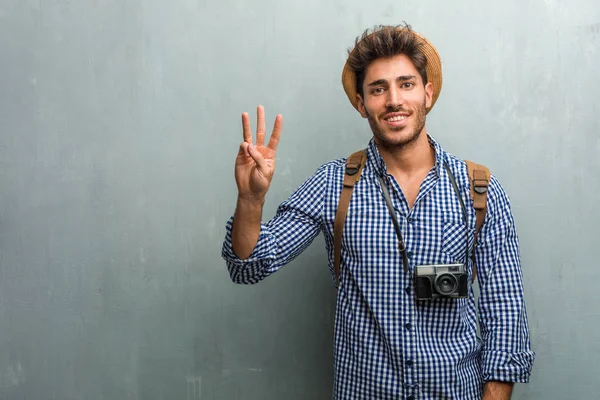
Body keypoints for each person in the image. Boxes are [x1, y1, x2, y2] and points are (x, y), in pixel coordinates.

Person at [221, 23, 535, 400]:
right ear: (361, 103)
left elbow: (505, 311)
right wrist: (251, 200)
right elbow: (248, 265)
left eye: (406, 84)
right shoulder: (333, 185)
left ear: (427, 93)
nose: (393, 100)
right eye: (377, 89)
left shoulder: (478, 190)